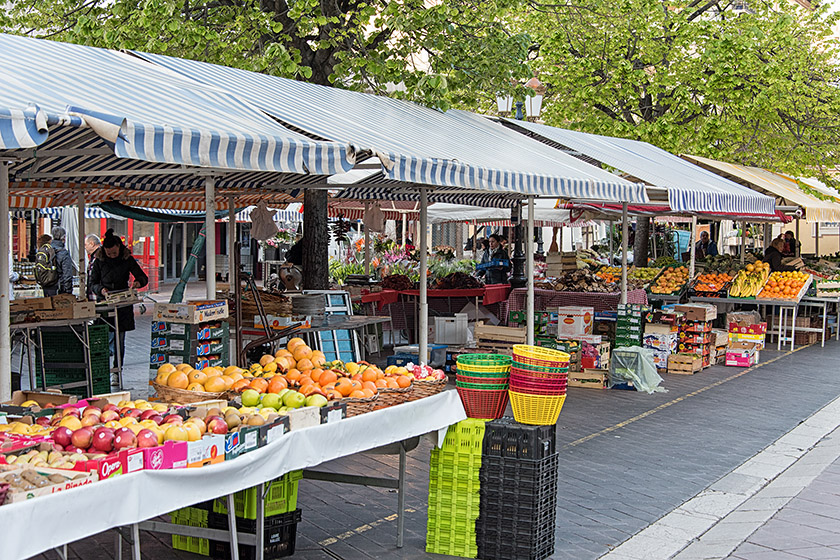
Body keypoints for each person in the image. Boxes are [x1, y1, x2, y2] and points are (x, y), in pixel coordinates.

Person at [90, 229, 149, 368]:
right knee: (102, 338)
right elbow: (92, 283)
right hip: (104, 304)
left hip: (122, 304)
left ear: (119, 249)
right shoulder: (99, 260)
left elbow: (143, 277)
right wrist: (101, 290)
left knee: (119, 340)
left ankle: (117, 369)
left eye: (114, 253)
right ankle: (102, 368)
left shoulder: (126, 259)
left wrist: (138, 282)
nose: (111, 256)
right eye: (108, 253)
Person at [38, 227, 75, 296]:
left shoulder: (47, 250)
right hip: (59, 288)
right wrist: (68, 291)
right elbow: (67, 275)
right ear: (63, 238)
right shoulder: (63, 253)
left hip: (47, 286)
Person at [84, 234, 101, 301]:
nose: (85, 247)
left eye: (85, 245)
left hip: (97, 295)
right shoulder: (93, 257)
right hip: (94, 294)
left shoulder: (98, 257)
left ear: (92, 244)